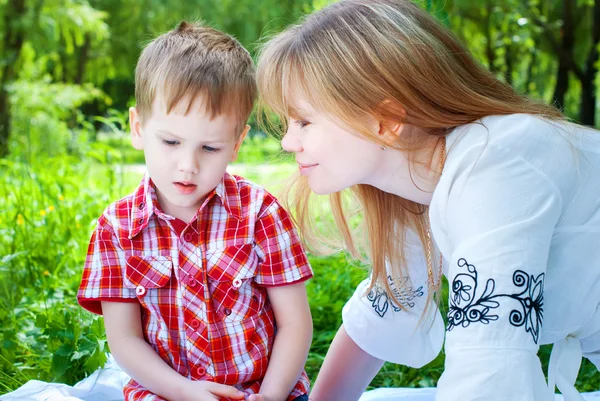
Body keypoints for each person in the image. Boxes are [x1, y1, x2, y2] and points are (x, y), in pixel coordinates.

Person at [256, 1, 600, 400]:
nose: (287, 141)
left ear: (385, 121)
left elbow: (490, 370)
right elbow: (385, 311)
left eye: (303, 121)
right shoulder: (420, 188)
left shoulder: (497, 166)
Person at [77, 21, 313, 401]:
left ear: (236, 144)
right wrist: (187, 393)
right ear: (138, 127)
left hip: (262, 390)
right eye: (171, 141)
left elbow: (295, 324)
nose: (188, 165)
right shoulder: (116, 229)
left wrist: (269, 396)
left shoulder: (260, 214)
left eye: (210, 148)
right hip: (167, 393)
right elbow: (125, 340)